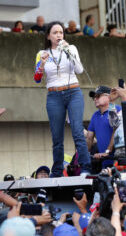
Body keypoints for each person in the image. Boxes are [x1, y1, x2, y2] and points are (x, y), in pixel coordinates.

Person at [34, 21, 91, 177]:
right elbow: (37, 78)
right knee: (57, 135)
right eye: (55, 33)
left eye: (61, 32)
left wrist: (68, 51)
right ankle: (58, 170)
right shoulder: (42, 53)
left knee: (78, 132)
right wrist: (42, 64)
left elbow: (79, 70)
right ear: (48, 36)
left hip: (73, 92)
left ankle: (85, 167)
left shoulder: (71, 48)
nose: (59, 35)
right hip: (54, 95)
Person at [87, 86, 121, 169]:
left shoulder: (117, 109)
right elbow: (89, 137)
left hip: (117, 161)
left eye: (98, 96)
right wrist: (86, 153)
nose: (95, 99)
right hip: (103, 162)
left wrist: (107, 151)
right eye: (94, 97)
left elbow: (116, 131)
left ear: (108, 96)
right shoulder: (95, 115)